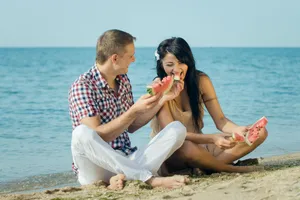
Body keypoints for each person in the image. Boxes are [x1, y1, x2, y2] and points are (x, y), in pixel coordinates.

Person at [68, 30, 189, 190]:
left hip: (127, 159)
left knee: (177, 129)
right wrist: (133, 110)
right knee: (81, 133)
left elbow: (132, 126)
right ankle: (149, 179)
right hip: (96, 167)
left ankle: (122, 179)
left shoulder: (123, 81)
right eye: (130, 55)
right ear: (115, 58)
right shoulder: (83, 86)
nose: (134, 59)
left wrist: (162, 99)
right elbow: (98, 135)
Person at [150, 37, 268, 175]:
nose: (176, 69)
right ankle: (229, 168)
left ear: (189, 61)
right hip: (172, 152)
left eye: (181, 62)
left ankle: (206, 167)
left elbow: (221, 120)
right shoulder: (158, 88)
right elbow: (172, 134)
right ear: (161, 64)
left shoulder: (201, 81)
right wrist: (212, 138)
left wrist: (238, 130)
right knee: (185, 146)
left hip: (201, 147)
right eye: (170, 64)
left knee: (260, 132)